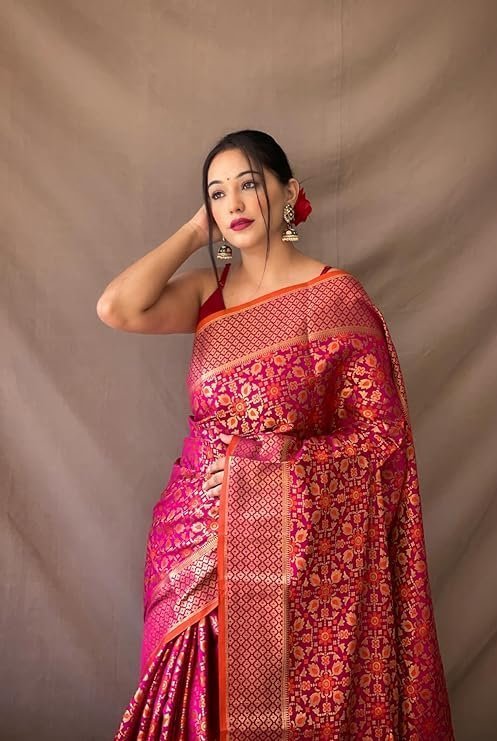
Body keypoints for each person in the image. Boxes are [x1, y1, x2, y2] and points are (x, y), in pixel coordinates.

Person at [97, 129, 455, 740]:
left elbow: (381, 440)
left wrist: (270, 464)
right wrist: (195, 231)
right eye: (217, 193)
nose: (233, 204)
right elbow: (117, 307)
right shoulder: (209, 293)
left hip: (290, 546)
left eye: (248, 185)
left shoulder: (335, 300)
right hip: (191, 538)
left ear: (289, 193)